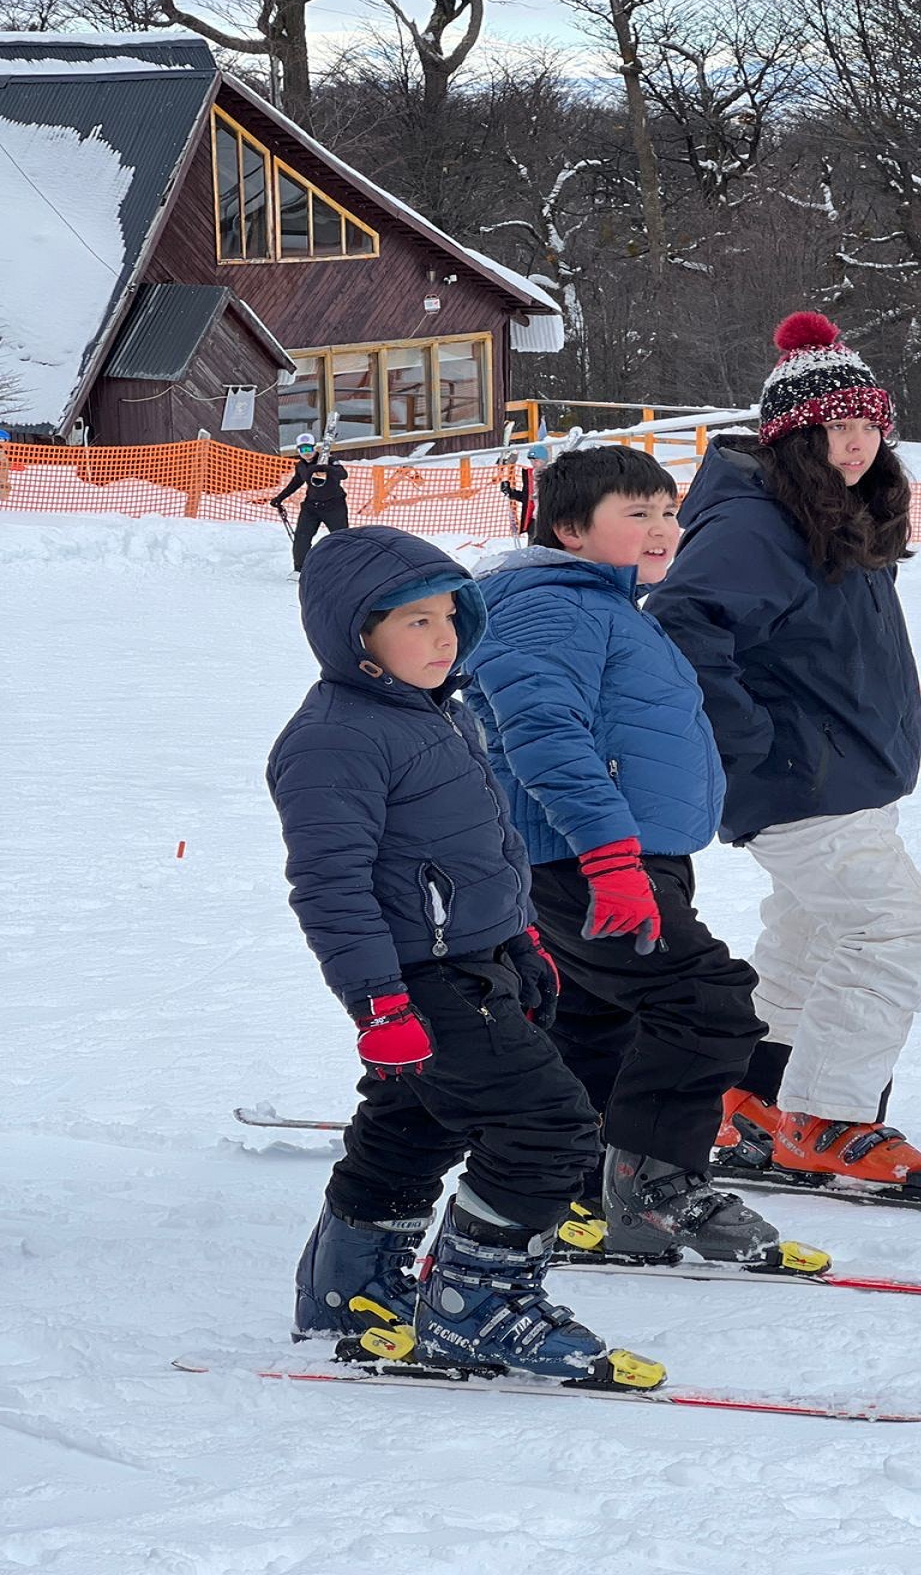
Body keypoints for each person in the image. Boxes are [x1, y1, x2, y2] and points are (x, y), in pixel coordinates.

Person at [267, 523, 662, 1389]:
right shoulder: (334, 738)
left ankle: (348, 1284)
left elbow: (482, 851)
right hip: (416, 980)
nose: (443, 636)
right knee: (548, 1128)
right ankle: (475, 1305)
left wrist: (520, 942)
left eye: (450, 614)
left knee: (419, 1118)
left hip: (475, 962)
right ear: (354, 634)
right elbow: (331, 888)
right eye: (414, 621)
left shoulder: (432, 713)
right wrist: (381, 1005)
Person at [462, 446, 826, 1271]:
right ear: (569, 529)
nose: (663, 528)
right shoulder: (551, 610)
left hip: (618, 854)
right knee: (708, 1005)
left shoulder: (609, 605)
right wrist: (608, 858)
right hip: (586, 859)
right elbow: (544, 738)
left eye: (668, 511)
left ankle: (582, 1180)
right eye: (638, 514)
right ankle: (655, 1192)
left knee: (604, 1021)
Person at [646, 311, 921, 1196]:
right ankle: (826, 1117)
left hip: (839, 777)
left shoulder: (830, 511)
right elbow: (682, 626)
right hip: (802, 785)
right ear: (795, 435)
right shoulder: (758, 523)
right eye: (839, 426)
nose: (859, 443)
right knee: (895, 935)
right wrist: (758, 748)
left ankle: (751, 1099)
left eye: (870, 425)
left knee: (815, 939)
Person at [272, 432, 350, 574]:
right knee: (301, 538)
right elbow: (296, 482)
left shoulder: (329, 460)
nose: (306, 453)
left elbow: (343, 474)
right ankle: (300, 569)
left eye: (308, 449)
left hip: (334, 506)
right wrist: (280, 498)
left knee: (341, 538)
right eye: (302, 450)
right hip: (311, 507)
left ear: (315, 448)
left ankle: (344, 569)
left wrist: (326, 468)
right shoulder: (301, 466)